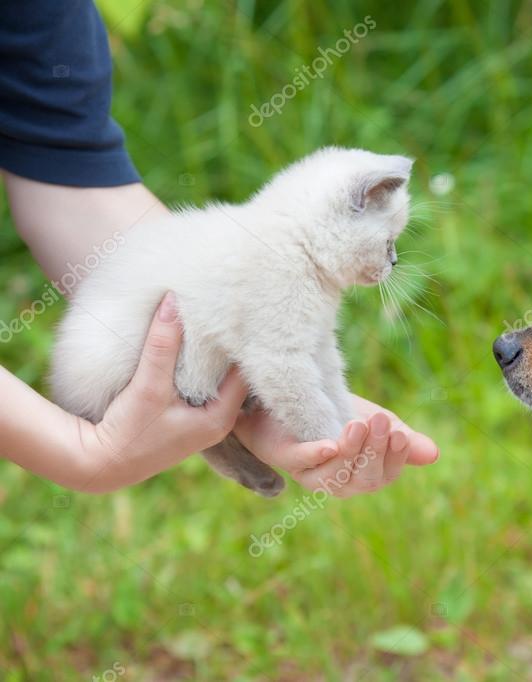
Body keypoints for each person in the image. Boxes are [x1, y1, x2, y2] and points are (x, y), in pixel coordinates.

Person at [0, 1, 438, 497]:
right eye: (386, 244)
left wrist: (324, 415)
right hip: (100, 370)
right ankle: (216, 429)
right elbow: (281, 361)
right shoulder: (277, 259)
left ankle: (219, 427)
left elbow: (65, 163)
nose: (392, 261)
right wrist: (77, 451)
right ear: (347, 208)